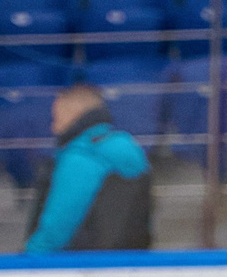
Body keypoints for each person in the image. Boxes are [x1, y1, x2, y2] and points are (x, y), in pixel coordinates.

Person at [23, 83, 153, 256]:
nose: (54, 128)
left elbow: (60, 224)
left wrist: (30, 258)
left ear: (74, 115)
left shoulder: (84, 153)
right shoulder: (126, 145)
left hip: (84, 263)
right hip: (131, 259)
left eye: (57, 118)